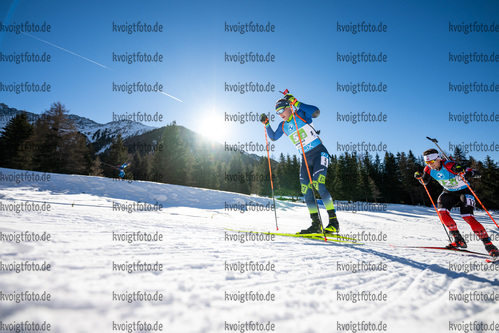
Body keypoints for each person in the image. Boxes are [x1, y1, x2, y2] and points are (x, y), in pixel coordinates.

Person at [260, 93, 339, 234]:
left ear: (289, 107)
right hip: (305, 158)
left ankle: (334, 222)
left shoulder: (301, 114)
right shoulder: (283, 126)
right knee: (305, 189)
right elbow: (273, 137)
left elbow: (316, 111)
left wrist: (296, 102)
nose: (280, 114)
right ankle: (316, 224)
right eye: (277, 113)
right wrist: (266, 124)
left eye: (281, 110)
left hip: (319, 152)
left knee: (318, 183)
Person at [414, 148, 498, 257]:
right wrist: (419, 177)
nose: (430, 165)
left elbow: (475, 173)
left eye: (432, 162)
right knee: (442, 212)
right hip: (449, 192)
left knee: (467, 217)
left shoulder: (449, 165)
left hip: (464, 191)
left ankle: (489, 246)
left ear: (438, 158)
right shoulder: (429, 169)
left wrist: (466, 172)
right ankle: (458, 239)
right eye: (427, 162)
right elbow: (425, 182)